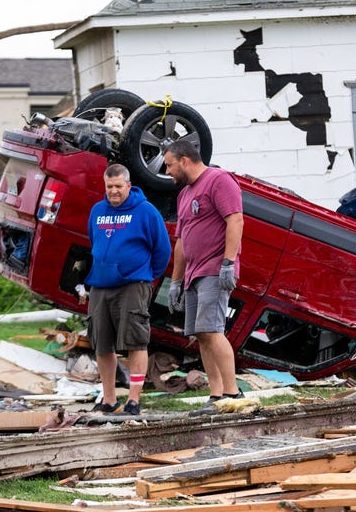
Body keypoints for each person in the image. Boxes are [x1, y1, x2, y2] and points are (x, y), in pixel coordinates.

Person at [83, 163, 171, 416]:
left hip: (133, 284)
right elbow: (93, 240)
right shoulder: (98, 211)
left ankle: (133, 400)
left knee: (135, 341)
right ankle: (109, 399)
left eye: (118, 186)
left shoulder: (145, 211)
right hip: (100, 284)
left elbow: (162, 251)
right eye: (109, 187)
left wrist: (144, 276)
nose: (113, 191)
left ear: (128, 186)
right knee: (101, 344)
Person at [163, 140, 244, 406]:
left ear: (185, 160)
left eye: (170, 165)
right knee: (201, 333)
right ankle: (217, 394)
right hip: (194, 273)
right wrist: (176, 281)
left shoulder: (219, 180)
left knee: (211, 330)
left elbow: (235, 219)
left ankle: (233, 393)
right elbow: (182, 242)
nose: (168, 172)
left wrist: (228, 263)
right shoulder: (185, 194)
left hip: (214, 268)